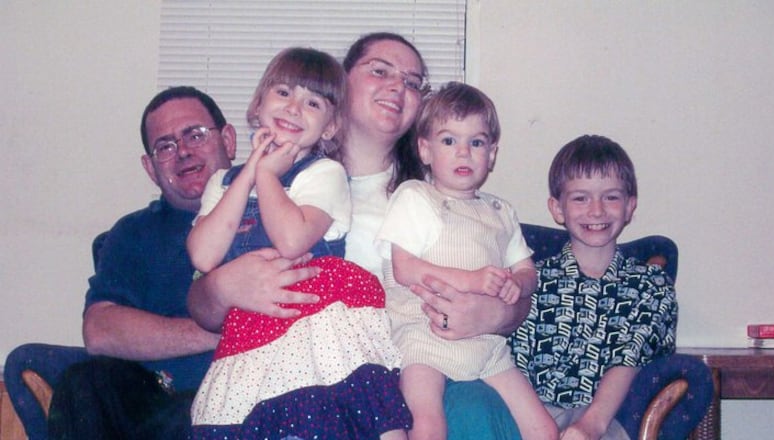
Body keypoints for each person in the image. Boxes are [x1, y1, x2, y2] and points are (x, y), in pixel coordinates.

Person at [187, 32, 530, 440]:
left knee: (473, 410)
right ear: (341, 83)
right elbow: (200, 300)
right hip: (288, 373)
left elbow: (511, 282)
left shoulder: (439, 195)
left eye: (412, 82)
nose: (397, 87)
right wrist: (224, 287)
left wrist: (497, 315)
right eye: (380, 71)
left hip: (423, 370)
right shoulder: (262, 185)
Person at [3, 85, 317, 440]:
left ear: (228, 140)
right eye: (164, 146)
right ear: (150, 168)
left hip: (257, 392)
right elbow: (100, 330)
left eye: (195, 135)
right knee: (85, 382)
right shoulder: (133, 233)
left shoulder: (282, 204)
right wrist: (220, 331)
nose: (183, 151)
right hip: (157, 403)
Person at [187, 47, 409, 439]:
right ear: (258, 106)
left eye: (313, 102)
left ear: (328, 128)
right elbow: (205, 254)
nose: (294, 108)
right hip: (248, 336)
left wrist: (270, 178)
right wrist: (251, 172)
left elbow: (291, 240)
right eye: (284, 93)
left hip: (316, 329)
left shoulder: (325, 173)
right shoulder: (222, 182)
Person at [375, 82, 558, 440]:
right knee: (427, 426)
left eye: (476, 142)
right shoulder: (415, 197)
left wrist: (517, 284)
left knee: (546, 430)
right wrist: (472, 281)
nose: (464, 152)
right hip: (422, 337)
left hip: (487, 344)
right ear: (425, 150)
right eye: (449, 141)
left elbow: (526, 269)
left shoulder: (500, 210)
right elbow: (404, 269)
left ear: (492, 154)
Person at [509, 135, 678, 440]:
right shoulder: (532, 280)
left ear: (630, 206)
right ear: (557, 208)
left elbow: (632, 354)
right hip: (533, 417)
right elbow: (514, 360)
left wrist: (589, 426)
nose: (597, 210)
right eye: (580, 198)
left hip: (610, 418)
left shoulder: (650, 285)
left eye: (611, 197)